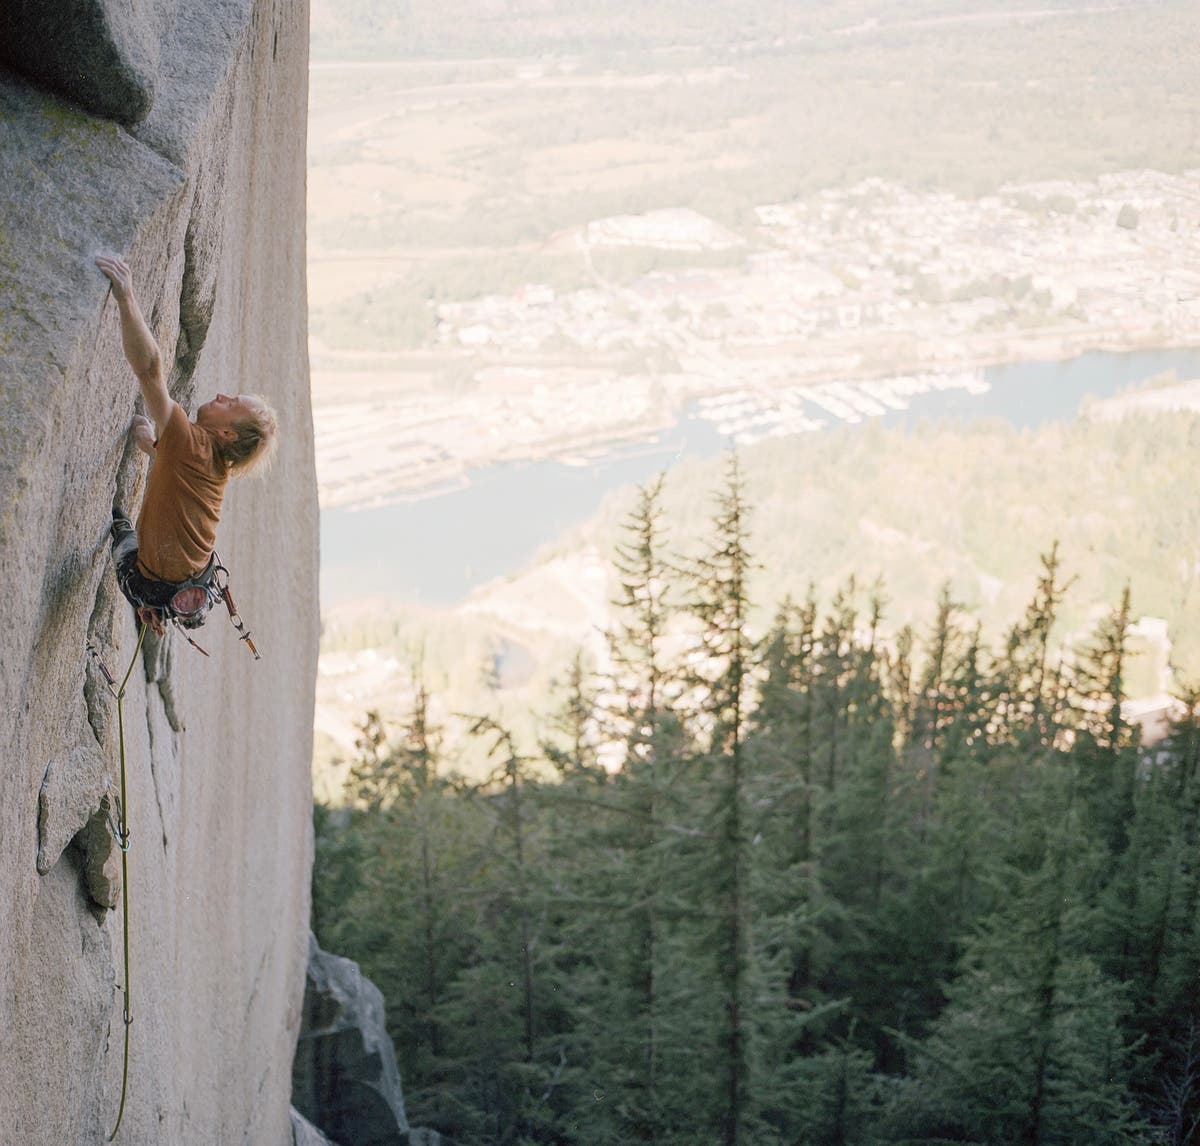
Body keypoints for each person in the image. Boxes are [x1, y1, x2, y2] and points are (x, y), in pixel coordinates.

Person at [96, 254, 278, 635]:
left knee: (119, 528)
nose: (221, 395)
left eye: (230, 404)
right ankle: (158, 604)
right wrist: (152, 446)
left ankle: (149, 601)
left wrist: (127, 298)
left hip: (149, 584)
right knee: (151, 447)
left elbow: (149, 371)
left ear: (227, 433)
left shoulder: (190, 441)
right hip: (188, 585)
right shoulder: (215, 467)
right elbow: (181, 478)